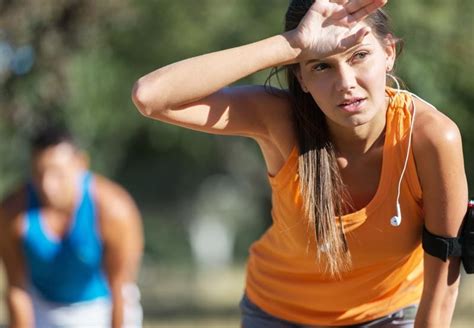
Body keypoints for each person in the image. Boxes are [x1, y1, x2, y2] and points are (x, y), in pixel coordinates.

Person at [131, 0, 468, 326]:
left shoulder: (431, 138)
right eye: (321, 65)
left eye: (360, 56)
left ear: (389, 54)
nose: (346, 83)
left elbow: (443, 275)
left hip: (387, 316)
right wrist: (293, 44)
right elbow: (151, 96)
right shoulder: (279, 120)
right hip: (278, 314)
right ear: (301, 78)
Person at [0, 126, 144, 328]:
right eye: (39, 174)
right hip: (42, 307)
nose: (47, 186)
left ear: (81, 164)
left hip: (100, 307)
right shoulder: (12, 213)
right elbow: (17, 290)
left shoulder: (114, 210)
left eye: (58, 174)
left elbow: (120, 287)